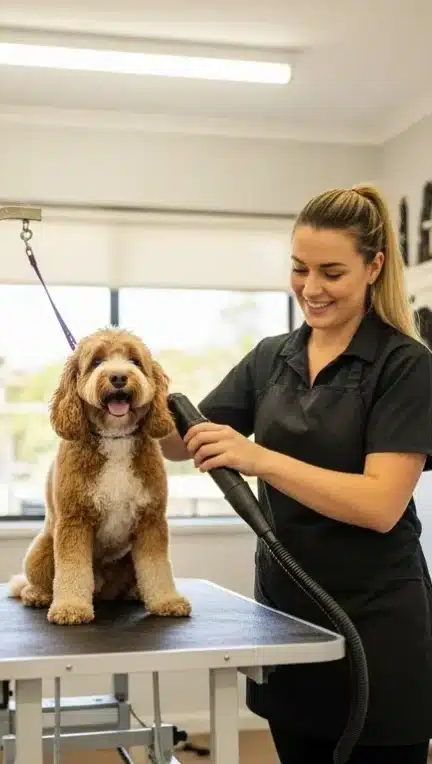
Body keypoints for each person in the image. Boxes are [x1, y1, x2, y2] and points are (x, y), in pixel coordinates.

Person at [161, 184, 432, 762]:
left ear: (373, 266)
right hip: (287, 618)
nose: (311, 288)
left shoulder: (405, 366)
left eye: (331, 272)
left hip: (378, 624)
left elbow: (380, 505)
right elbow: (177, 444)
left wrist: (257, 458)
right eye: (299, 269)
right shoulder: (270, 357)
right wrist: (130, 386)